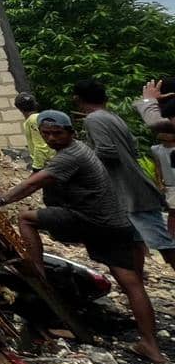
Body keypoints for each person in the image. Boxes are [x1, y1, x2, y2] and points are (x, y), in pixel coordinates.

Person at [0, 110, 166, 364]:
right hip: (114, 222)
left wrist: (1, 199)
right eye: (46, 134)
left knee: (26, 218)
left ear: (71, 132)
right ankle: (150, 345)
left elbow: (36, 182)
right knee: (131, 282)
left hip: (89, 220)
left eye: (57, 133)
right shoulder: (80, 150)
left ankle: (37, 271)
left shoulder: (71, 155)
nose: (51, 138)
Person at [72, 78, 175, 272]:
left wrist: (82, 159)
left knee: (165, 246)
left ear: (77, 99)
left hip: (131, 192)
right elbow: (132, 149)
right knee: (135, 243)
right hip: (130, 190)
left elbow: (107, 152)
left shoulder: (93, 119)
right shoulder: (112, 117)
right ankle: (136, 283)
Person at [14, 92, 55, 171]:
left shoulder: (32, 120)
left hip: (48, 163)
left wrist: (37, 167)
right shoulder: (38, 117)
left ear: (19, 108)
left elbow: (40, 146)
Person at [149, 125, 175, 237]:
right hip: (170, 185)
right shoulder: (156, 149)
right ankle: (172, 235)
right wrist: (159, 183)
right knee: (173, 212)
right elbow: (157, 167)